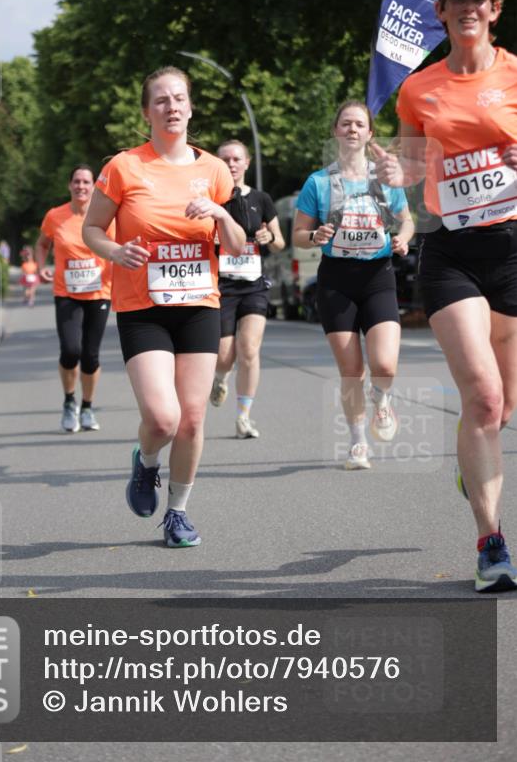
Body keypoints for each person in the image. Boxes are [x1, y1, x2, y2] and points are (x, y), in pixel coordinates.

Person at [375, 0, 517, 592]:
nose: (467, 8)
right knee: (482, 398)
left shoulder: (515, 74)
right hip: (452, 252)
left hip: (513, 248)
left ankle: (471, 462)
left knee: (503, 407)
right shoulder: (418, 89)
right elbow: (411, 165)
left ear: (494, 9)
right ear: (440, 11)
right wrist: (395, 172)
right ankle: (491, 545)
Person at [82, 66, 245, 548]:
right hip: (142, 306)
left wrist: (220, 213)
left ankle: (177, 513)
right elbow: (92, 229)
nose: (171, 106)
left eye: (179, 98)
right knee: (162, 418)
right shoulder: (124, 167)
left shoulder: (214, 171)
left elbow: (237, 245)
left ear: (191, 108)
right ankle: (146, 460)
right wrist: (115, 252)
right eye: (161, 100)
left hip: (199, 305)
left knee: (192, 419)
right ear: (146, 113)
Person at [293, 101, 414, 470]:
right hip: (336, 280)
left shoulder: (385, 178)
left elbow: (407, 220)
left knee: (385, 365)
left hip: (378, 277)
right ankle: (358, 443)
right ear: (335, 131)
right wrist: (314, 236)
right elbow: (298, 234)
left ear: (369, 132)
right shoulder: (318, 182)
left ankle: (382, 398)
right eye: (345, 123)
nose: (352, 129)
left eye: (359, 124)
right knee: (351, 370)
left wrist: (404, 238)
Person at [209, 140, 285, 438]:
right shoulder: (211, 198)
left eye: (236, 159)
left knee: (249, 349)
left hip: (254, 285)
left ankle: (243, 417)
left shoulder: (261, 199)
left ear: (247, 163)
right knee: (224, 355)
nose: (231, 164)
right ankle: (220, 378)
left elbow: (280, 243)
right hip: (221, 286)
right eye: (225, 159)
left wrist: (269, 237)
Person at [36, 165, 113, 434]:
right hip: (66, 293)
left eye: (86, 182)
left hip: (99, 292)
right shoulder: (55, 216)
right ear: (70, 185)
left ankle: (87, 407)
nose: (81, 186)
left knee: (90, 355)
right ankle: (70, 402)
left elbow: (117, 247)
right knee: (71, 350)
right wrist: (40, 267)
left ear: (94, 186)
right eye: (77, 181)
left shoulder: (106, 216)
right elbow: (42, 244)